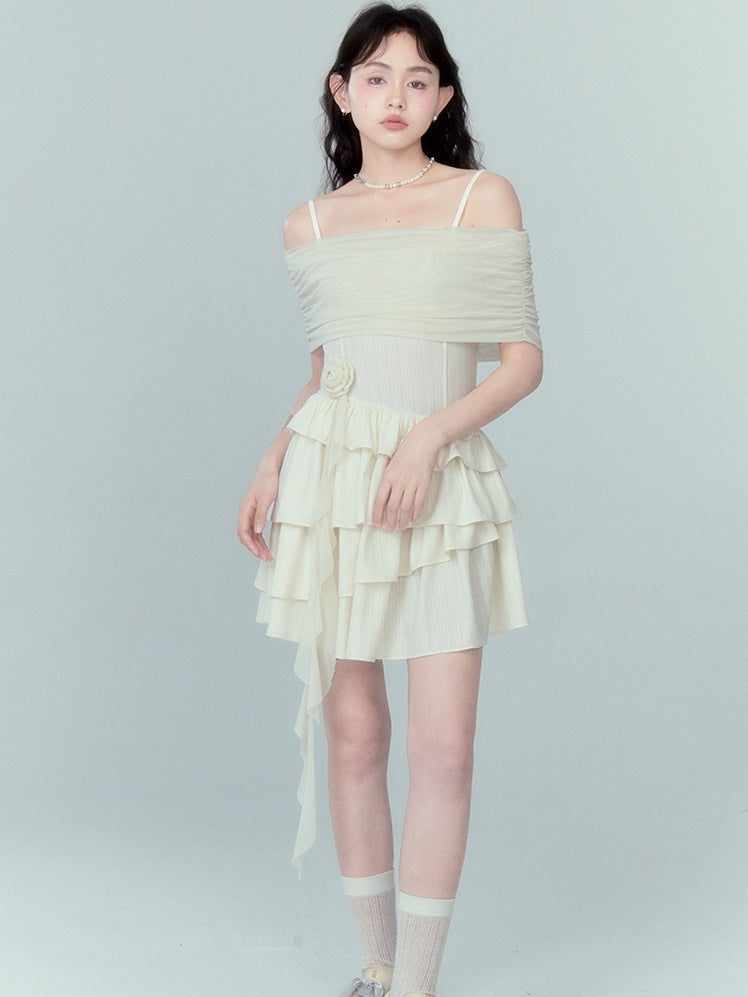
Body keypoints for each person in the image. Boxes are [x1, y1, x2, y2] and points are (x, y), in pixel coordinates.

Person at [237, 4, 543, 995]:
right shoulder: (310, 223)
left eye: (417, 80)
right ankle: (375, 964)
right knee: (356, 732)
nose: (396, 97)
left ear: (443, 97)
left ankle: (417, 979)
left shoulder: (481, 198)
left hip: (438, 484)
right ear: (342, 93)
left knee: (442, 746)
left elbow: (522, 362)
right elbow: (327, 371)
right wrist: (274, 456)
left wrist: (430, 434)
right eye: (374, 77)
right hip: (332, 487)